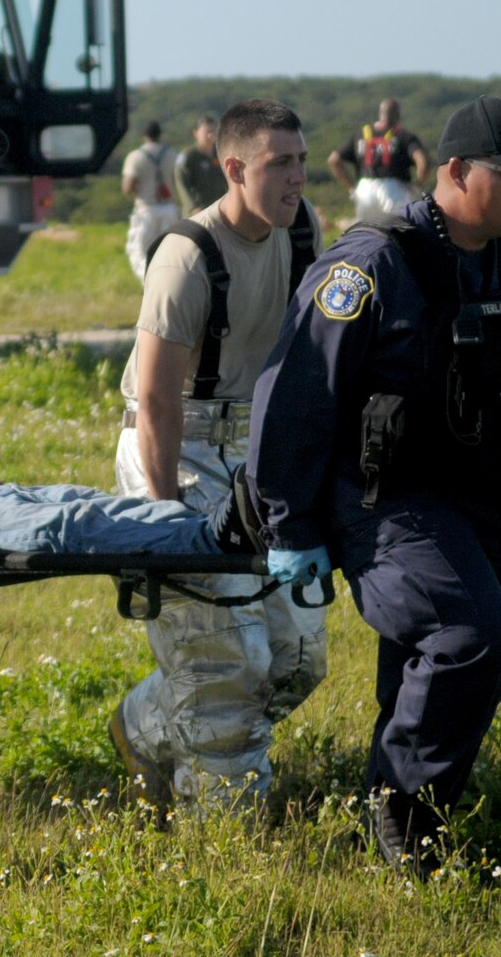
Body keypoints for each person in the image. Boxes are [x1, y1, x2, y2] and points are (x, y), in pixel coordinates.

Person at [248, 96, 501, 876]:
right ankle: (399, 816)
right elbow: (296, 396)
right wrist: (289, 525)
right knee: (473, 644)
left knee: (442, 658)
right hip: (384, 500)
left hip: (483, 498)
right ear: (456, 171)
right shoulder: (371, 264)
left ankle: (403, 833)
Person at [109, 99, 327, 813]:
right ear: (234, 169)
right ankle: (229, 840)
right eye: (279, 164)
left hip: (257, 451)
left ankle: (143, 727)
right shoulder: (186, 255)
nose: (297, 176)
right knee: (226, 663)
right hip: (178, 446)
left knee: (298, 660)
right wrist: (166, 513)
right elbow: (157, 400)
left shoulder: (304, 233)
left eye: (300, 159)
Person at [329, 98, 433, 223]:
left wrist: (351, 188)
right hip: (395, 190)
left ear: (379, 114)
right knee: (399, 234)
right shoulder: (404, 135)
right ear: (398, 115)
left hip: (364, 190)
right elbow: (423, 161)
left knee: (365, 234)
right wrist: (417, 186)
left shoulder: (360, 134)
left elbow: (334, 160)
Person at [121, 121, 182, 281]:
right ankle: (170, 282)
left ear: (143, 136)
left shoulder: (135, 156)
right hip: (169, 209)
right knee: (170, 252)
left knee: (141, 252)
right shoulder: (172, 155)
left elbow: (127, 188)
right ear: (159, 135)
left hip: (146, 210)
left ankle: (148, 283)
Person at [176, 114, 228, 211]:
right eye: (207, 132)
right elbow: (181, 181)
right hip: (198, 210)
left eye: (213, 131)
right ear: (196, 133)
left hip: (218, 209)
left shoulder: (220, 154)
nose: (210, 135)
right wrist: (192, 206)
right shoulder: (189, 156)